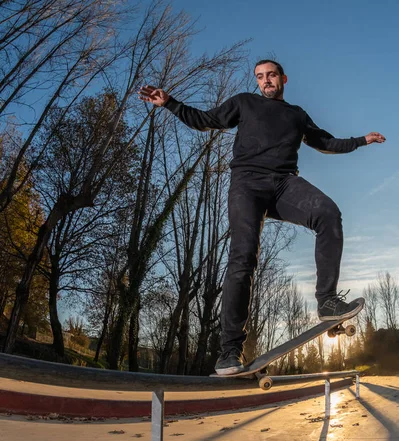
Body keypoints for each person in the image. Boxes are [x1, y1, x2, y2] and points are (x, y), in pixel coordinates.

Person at [139, 59, 386, 375]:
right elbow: (205, 119)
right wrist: (170, 103)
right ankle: (229, 352)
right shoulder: (244, 102)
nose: (266, 81)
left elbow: (326, 142)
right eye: (260, 77)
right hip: (247, 184)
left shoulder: (296, 115)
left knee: (328, 213)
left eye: (271, 75)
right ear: (256, 82)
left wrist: (361, 141)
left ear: (283, 78)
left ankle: (327, 301)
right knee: (243, 259)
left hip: (285, 185)